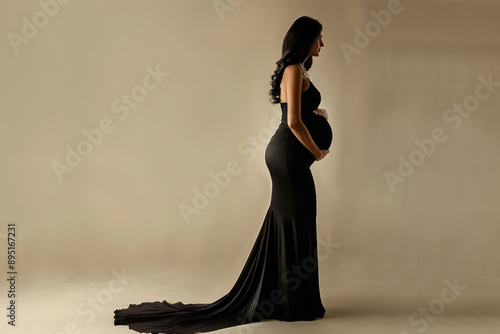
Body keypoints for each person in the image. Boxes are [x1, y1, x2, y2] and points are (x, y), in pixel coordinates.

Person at [114, 15, 332, 333]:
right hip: (288, 156)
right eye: (319, 38)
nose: (322, 44)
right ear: (306, 40)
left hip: (286, 155)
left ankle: (289, 298)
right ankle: (294, 303)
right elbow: (294, 122)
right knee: (295, 222)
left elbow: (296, 114)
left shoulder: (297, 71)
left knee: (292, 221)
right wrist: (317, 152)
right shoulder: (293, 70)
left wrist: (319, 114)